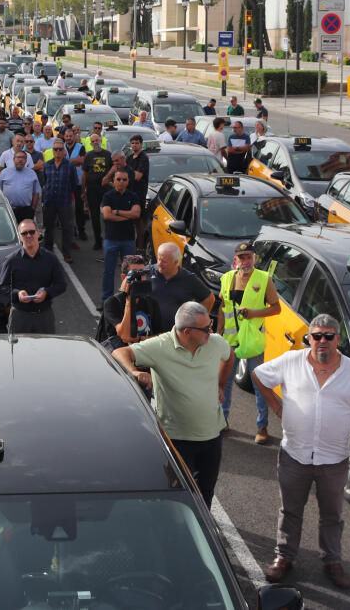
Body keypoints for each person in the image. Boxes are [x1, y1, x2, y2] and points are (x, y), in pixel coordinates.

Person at [254, 314, 350, 589]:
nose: (322, 341)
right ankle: (283, 557)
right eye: (316, 336)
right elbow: (258, 375)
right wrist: (275, 404)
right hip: (294, 454)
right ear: (308, 338)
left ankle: (332, 561)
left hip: (334, 460)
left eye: (328, 336)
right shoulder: (291, 361)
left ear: (338, 340)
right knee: (291, 511)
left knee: (332, 515)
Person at [113, 302, 233, 508]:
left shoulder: (215, 342)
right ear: (187, 332)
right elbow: (120, 353)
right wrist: (134, 372)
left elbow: (229, 356)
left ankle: (202, 533)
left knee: (206, 489)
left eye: (210, 324)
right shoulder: (160, 346)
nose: (211, 331)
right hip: (176, 438)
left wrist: (221, 384)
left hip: (211, 436)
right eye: (206, 328)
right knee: (176, 493)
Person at [218, 242, 279, 443]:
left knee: (259, 384)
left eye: (249, 257)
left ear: (255, 259)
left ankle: (262, 427)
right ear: (235, 260)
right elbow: (222, 308)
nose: (245, 261)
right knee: (224, 383)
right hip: (230, 340)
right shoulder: (227, 278)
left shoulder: (264, 279)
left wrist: (254, 314)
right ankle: (223, 420)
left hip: (252, 341)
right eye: (241, 257)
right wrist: (217, 335)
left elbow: (276, 308)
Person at [0, 219, 68, 334]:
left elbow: (61, 285)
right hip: (20, 316)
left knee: (45, 350)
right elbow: (2, 287)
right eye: (24, 233)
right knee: (18, 351)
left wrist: (47, 292)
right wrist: (17, 293)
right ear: (19, 236)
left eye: (31, 232)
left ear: (38, 233)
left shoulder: (50, 259)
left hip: (44, 316)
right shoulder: (11, 260)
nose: (28, 235)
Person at [100, 170, 141, 302]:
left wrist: (117, 212)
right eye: (118, 179)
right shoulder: (108, 196)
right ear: (114, 181)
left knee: (130, 272)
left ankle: (127, 298)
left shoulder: (133, 196)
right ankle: (107, 299)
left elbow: (136, 214)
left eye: (124, 179)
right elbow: (107, 215)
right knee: (109, 271)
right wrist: (127, 216)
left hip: (128, 240)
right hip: (111, 239)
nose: (121, 182)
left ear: (128, 181)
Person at [97, 254, 150, 345]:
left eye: (142, 274)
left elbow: (160, 335)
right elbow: (125, 337)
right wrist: (130, 299)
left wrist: (138, 339)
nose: (140, 279)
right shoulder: (112, 303)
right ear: (123, 277)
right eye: (135, 275)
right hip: (116, 355)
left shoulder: (151, 302)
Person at [41, 140, 78, 262]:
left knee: (67, 228)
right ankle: (48, 251)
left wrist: (67, 192)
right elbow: (45, 181)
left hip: (64, 201)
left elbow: (74, 183)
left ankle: (67, 253)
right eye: (55, 149)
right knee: (49, 227)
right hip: (49, 202)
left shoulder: (70, 165)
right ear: (52, 151)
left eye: (60, 149)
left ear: (64, 151)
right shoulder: (47, 165)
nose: (58, 151)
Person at [0, 150, 41, 223]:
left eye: (23, 158)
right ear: (13, 159)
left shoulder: (31, 173)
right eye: (18, 157)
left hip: (26, 210)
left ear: (26, 160)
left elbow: (36, 192)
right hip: (8, 210)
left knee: (25, 233)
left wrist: (32, 208)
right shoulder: (4, 172)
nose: (20, 160)